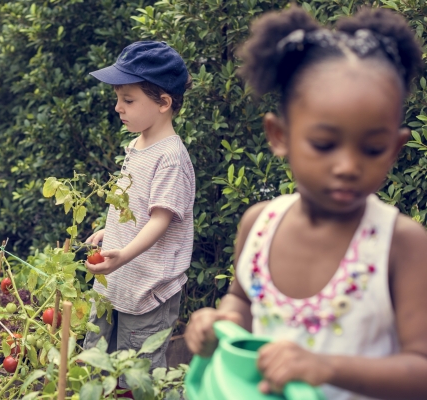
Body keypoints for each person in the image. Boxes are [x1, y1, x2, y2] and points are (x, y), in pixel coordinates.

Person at [184, 6, 427, 399]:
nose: (348, 166)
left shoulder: (400, 243)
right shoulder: (259, 225)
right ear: (279, 135)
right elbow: (244, 299)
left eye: (373, 148)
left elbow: (421, 369)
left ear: (396, 148)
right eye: (324, 145)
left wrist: (327, 367)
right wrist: (222, 323)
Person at [83, 41, 196, 391]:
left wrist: (123, 255)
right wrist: (109, 230)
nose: (118, 107)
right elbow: (132, 205)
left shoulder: (171, 158)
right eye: (118, 98)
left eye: (128, 100)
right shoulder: (137, 145)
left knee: (136, 375)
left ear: (164, 103)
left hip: (148, 289)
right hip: (116, 281)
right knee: (95, 361)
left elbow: (160, 221)